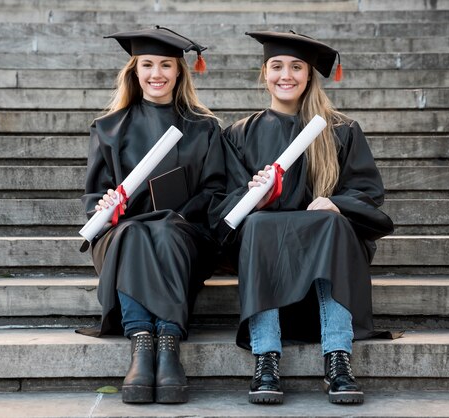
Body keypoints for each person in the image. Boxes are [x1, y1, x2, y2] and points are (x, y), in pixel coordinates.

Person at [210, 31, 394, 405]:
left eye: (297, 67)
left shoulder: (340, 130)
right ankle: (266, 357)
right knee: (260, 224)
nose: (286, 75)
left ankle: (337, 357)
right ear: (264, 73)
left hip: (325, 256)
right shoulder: (239, 135)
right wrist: (252, 198)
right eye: (277, 66)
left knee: (331, 221)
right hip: (268, 256)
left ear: (310, 75)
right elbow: (219, 207)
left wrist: (338, 204)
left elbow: (368, 193)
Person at [80, 26, 225, 404]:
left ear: (179, 72)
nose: (156, 73)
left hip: (183, 234)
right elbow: (94, 195)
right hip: (121, 236)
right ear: (134, 70)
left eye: (165, 64)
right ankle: (145, 344)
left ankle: (166, 341)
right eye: (147, 64)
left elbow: (215, 192)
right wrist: (105, 205)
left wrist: (173, 212)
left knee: (162, 230)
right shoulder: (109, 129)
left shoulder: (203, 128)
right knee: (134, 233)